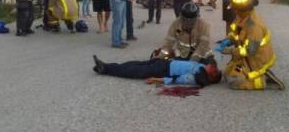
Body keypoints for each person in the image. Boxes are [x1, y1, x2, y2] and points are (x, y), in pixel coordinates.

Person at [215, 0, 285, 90]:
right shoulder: (241, 17)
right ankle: (251, 73)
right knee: (227, 73)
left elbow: (250, 51)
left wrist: (230, 51)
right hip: (245, 58)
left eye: (235, 9)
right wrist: (228, 39)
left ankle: (260, 80)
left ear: (242, 10)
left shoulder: (254, 26)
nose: (234, 11)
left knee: (234, 81)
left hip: (256, 60)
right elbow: (235, 32)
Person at [92, 55, 222, 87]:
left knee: (134, 71)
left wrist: (157, 80)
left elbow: (176, 79)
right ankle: (107, 65)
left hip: (163, 70)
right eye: (214, 67)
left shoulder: (196, 76)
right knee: (135, 63)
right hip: (165, 62)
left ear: (210, 76)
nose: (212, 66)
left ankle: (105, 69)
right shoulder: (201, 67)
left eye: (214, 69)